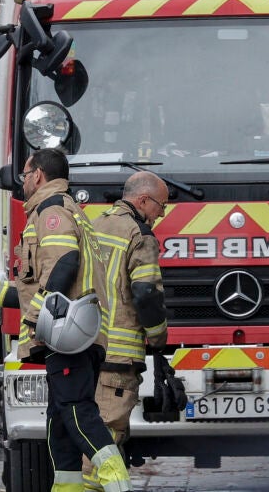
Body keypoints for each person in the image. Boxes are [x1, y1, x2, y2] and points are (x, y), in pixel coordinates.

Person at [14, 148, 132, 492]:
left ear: (38, 175)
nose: (23, 182)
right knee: (61, 421)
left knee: (77, 411)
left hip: (66, 333)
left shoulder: (51, 211)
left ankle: (118, 482)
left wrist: (38, 317)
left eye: (25, 175)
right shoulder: (71, 211)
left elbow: (64, 262)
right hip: (74, 332)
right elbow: (35, 283)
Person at [82, 172, 169, 491]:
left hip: (84, 348)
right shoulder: (139, 235)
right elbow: (146, 293)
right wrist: (158, 338)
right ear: (143, 200)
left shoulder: (93, 224)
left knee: (87, 430)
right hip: (118, 358)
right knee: (105, 438)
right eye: (161, 206)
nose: (161, 214)